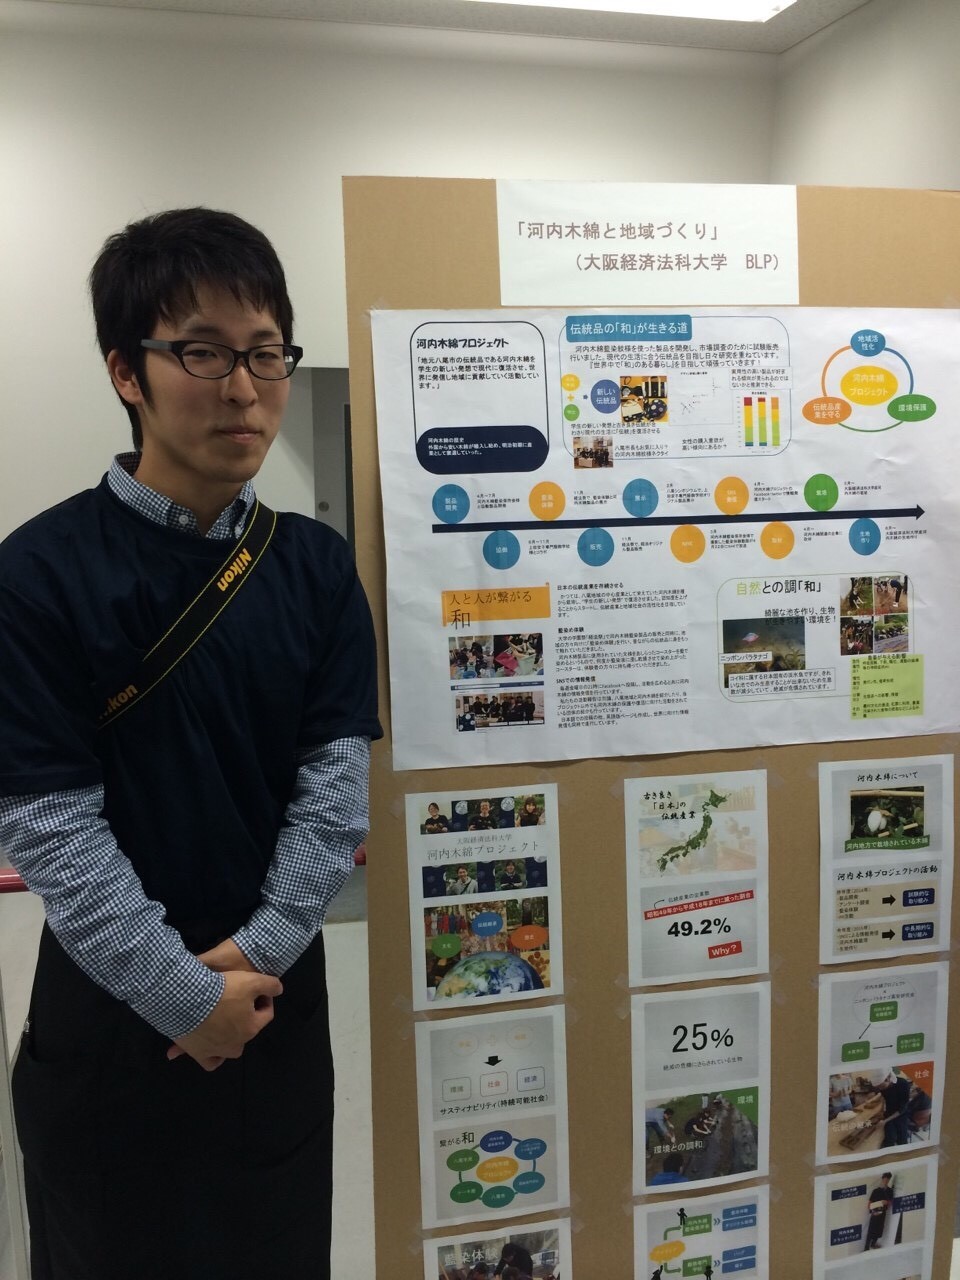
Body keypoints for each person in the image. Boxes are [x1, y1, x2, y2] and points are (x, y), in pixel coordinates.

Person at [0, 208, 381, 1280]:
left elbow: (334, 794)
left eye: (265, 352)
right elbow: (49, 821)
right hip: (108, 1023)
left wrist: (253, 963)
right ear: (127, 371)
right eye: (203, 352)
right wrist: (183, 996)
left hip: (271, 1014)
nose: (244, 388)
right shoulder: (38, 571)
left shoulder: (315, 567)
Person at [864, 1172, 894, 1249]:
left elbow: (890, 1202)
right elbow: (869, 1204)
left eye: (888, 1180)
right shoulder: (876, 1191)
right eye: (885, 1179)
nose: (886, 1181)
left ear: (889, 1180)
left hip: (883, 1213)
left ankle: (873, 1244)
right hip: (874, 1213)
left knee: (879, 1230)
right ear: (882, 1179)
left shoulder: (890, 1191)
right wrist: (875, 1210)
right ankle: (866, 1247)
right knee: (871, 1230)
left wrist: (886, 1202)